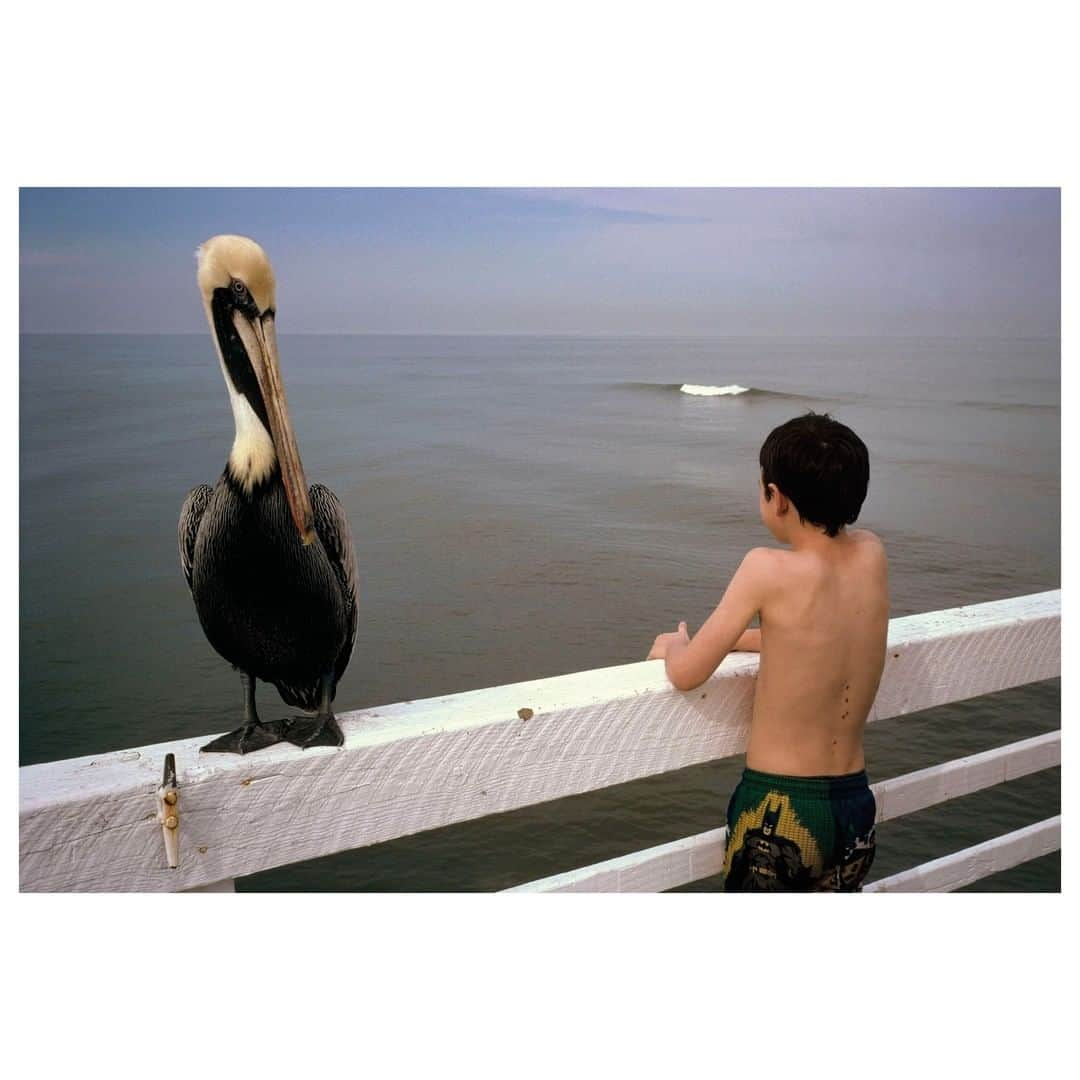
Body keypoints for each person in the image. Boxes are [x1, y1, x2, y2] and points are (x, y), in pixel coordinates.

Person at [647, 412, 888, 891]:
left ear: (775, 497)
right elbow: (818, 635)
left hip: (779, 810)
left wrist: (678, 644)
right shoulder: (872, 554)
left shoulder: (765, 568)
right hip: (853, 804)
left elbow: (688, 673)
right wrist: (739, 638)